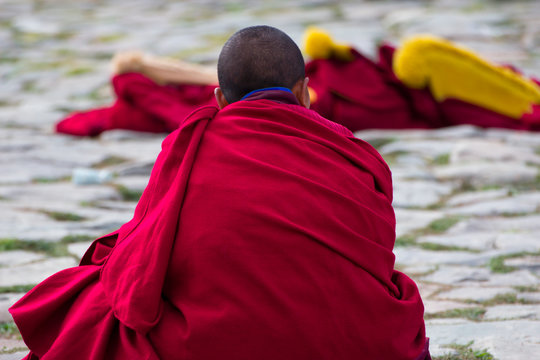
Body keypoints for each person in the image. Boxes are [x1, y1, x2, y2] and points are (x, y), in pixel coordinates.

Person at [10, 26, 430, 360]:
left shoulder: (190, 144)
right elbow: (375, 256)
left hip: (217, 344)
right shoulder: (352, 153)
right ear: (304, 92)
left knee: (92, 302)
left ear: (218, 98)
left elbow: (137, 267)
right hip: (355, 346)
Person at [56, 27, 540, 137]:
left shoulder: (220, 102)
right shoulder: (204, 117)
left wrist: (150, 67)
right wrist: (148, 69)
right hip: (344, 99)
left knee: (419, 61)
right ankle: (526, 103)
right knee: (419, 58)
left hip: (336, 86)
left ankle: (524, 99)